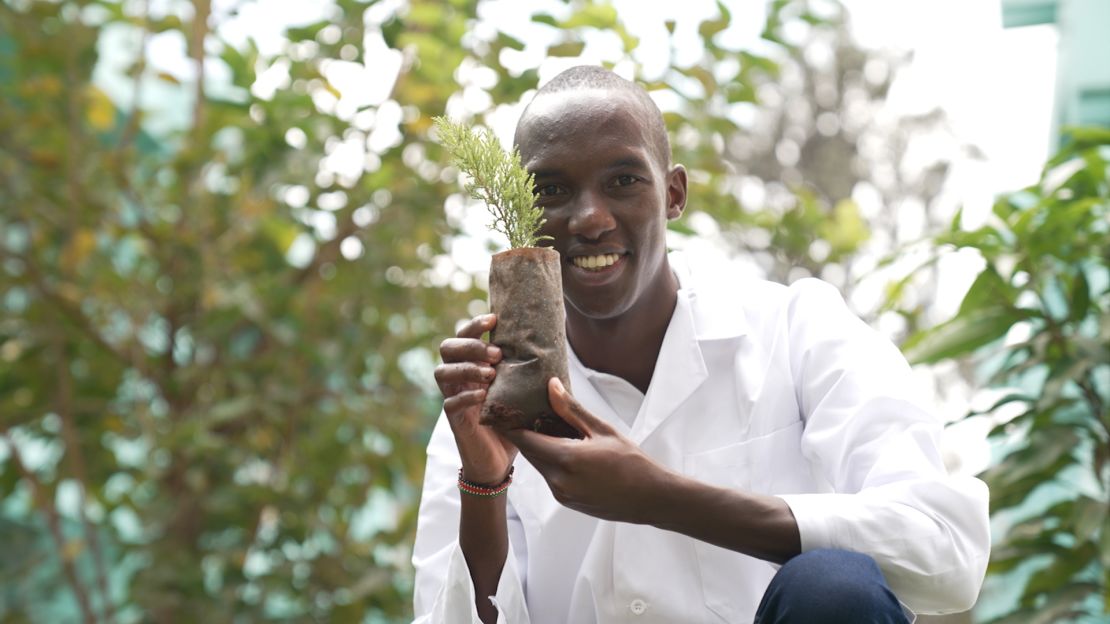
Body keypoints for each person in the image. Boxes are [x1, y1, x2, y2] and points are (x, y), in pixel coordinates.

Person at [413, 65, 989, 623]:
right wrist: (484, 485)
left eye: (623, 181)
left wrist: (661, 497)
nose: (589, 218)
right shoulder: (485, 400)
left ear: (674, 193)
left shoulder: (794, 330)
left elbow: (946, 549)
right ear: (519, 213)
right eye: (553, 189)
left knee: (833, 589)